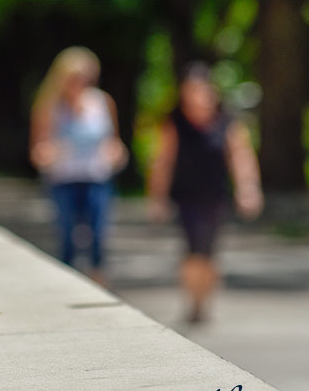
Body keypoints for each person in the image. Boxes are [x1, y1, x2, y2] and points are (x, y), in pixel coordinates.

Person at [148, 63, 263, 323]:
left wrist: (248, 188)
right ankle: (193, 302)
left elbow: (240, 156)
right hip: (185, 197)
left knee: (210, 252)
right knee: (193, 250)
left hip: (215, 196)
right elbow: (162, 161)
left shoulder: (227, 122)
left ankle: (204, 302)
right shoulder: (174, 122)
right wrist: (157, 197)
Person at [30, 47, 127, 285]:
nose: (80, 83)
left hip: (96, 177)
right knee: (67, 237)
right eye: (75, 77)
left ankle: (98, 283)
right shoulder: (49, 106)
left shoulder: (103, 102)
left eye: (86, 77)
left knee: (98, 235)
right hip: (64, 179)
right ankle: (69, 284)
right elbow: (37, 150)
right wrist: (49, 153)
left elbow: (114, 143)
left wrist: (116, 154)